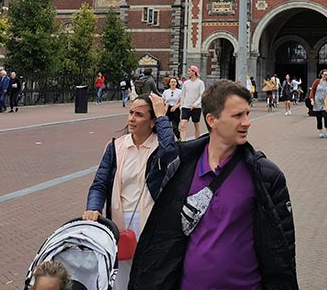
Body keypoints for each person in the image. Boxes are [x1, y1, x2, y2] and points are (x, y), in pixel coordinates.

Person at [129, 81, 298, 289]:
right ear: (212, 120)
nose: (247, 123)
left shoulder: (265, 175)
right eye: (237, 116)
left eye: (247, 114)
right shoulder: (181, 168)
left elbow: (282, 249)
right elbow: (164, 236)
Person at [84, 93, 175, 288]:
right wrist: (93, 208)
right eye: (131, 112)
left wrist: (162, 117)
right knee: (121, 280)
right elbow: (99, 183)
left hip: (151, 224)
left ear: (152, 122)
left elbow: (170, 153)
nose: (132, 118)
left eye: (139, 115)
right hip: (120, 225)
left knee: (149, 279)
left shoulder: (160, 147)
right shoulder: (116, 147)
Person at [179, 65, 205, 140]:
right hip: (186, 106)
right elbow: (183, 95)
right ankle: (183, 142)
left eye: (189, 71)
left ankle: (197, 141)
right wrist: (182, 106)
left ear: (194, 72)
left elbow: (202, 95)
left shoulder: (200, 83)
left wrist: (196, 104)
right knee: (182, 125)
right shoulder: (186, 83)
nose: (188, 72)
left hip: (196, 107)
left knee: (196, 125)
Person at [310, 69, 327, 138]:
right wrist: (312, 99)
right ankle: (320, 131)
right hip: (317, 101)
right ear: (321, 75)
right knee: (319, 117)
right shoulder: (317, 81)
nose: (325, 76)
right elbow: (312, 90)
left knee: (326, 116)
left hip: (325, 102)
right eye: (324, 74)